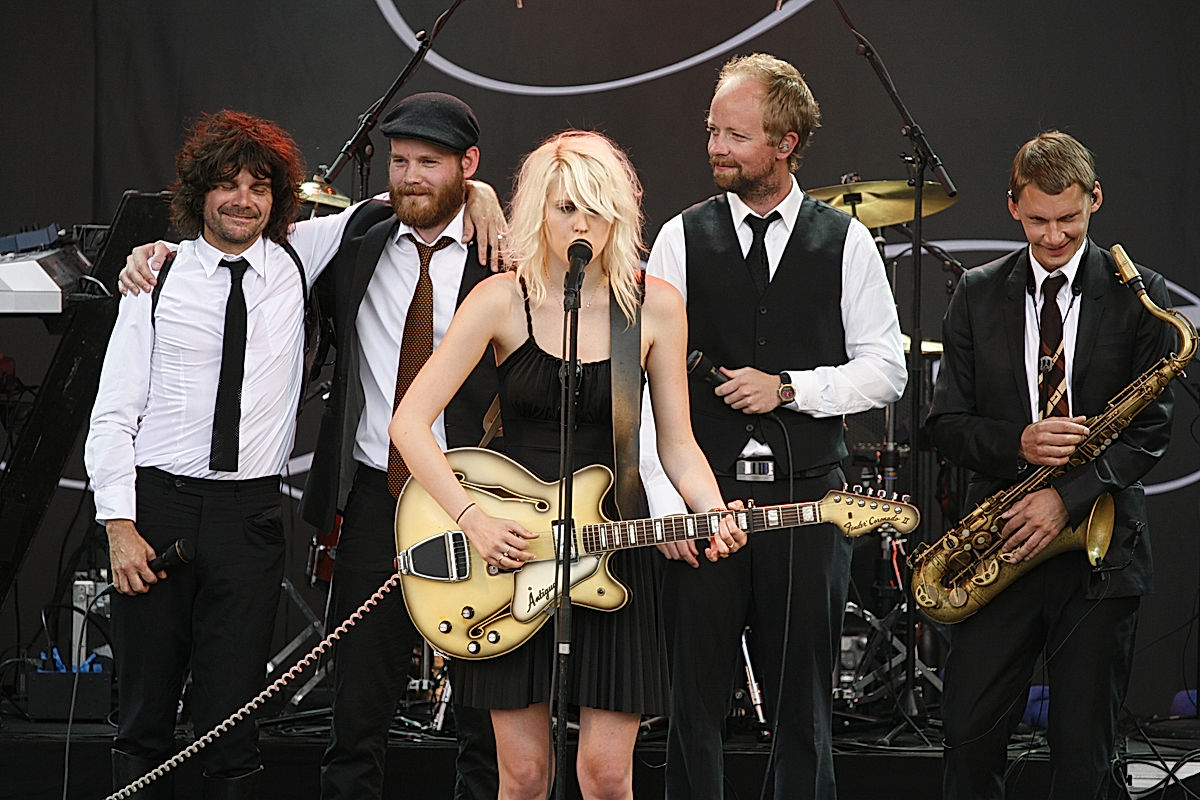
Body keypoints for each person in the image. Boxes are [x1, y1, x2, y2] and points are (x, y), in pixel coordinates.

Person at [116, 94, 506, 800]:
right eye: (398, 161)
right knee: (354, 711)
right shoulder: (353, 239)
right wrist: (151, 254)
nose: (410, 176)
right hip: (362, 497)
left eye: (430, 163)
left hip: (477, 497)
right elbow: (113, 410)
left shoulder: (496, 256)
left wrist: (483, 199)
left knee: (483, 714)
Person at [390, 129, 746, 800]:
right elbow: (409, 424)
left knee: (606, 776)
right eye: (563, 208)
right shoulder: (500, 299)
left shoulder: (655, 305)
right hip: (512, 548)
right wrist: (471, 520)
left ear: (619, 214)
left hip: (613, 545)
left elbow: (677, 444)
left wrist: (710, 506)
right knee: (523, 777)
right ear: (536, 214)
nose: (580, 223)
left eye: (594, 207)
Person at [643, 53, 906, 799]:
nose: (715, 147)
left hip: (809, 501)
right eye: (712, 131)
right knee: (692, 708)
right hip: (706, 506)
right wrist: (670, 507)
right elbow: (645, 391)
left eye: (735, 134)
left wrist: (791, 388)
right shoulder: (679, 237)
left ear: (786, 142)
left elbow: (887, 368)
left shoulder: (845, 241)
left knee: (803, 708)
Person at [87, 109, 362, 799]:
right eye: (227, 184)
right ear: (197, 193)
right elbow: (112, 415)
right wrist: (119, 527)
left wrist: (476, 196)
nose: (244, 199)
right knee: (143, 720)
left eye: (260, 186)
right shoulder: (156, 279)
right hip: (157, 512)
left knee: (232, 726)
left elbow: (402, 203)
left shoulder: (300, 254)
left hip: (250, 520)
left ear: (279, 198)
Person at [926, 130, 1175, 799]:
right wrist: (1020, 445)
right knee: (970, 743)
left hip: (1098, 559)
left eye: (1069, 218)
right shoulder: (976, 296)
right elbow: (943, 424)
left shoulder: (1139, 294)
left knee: (1083, 760)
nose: (1055, 236)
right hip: (1000, 546)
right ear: (1012, 207)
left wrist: (1065, 498)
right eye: (1038, 220)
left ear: (1095, 199)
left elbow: (1152, 428)